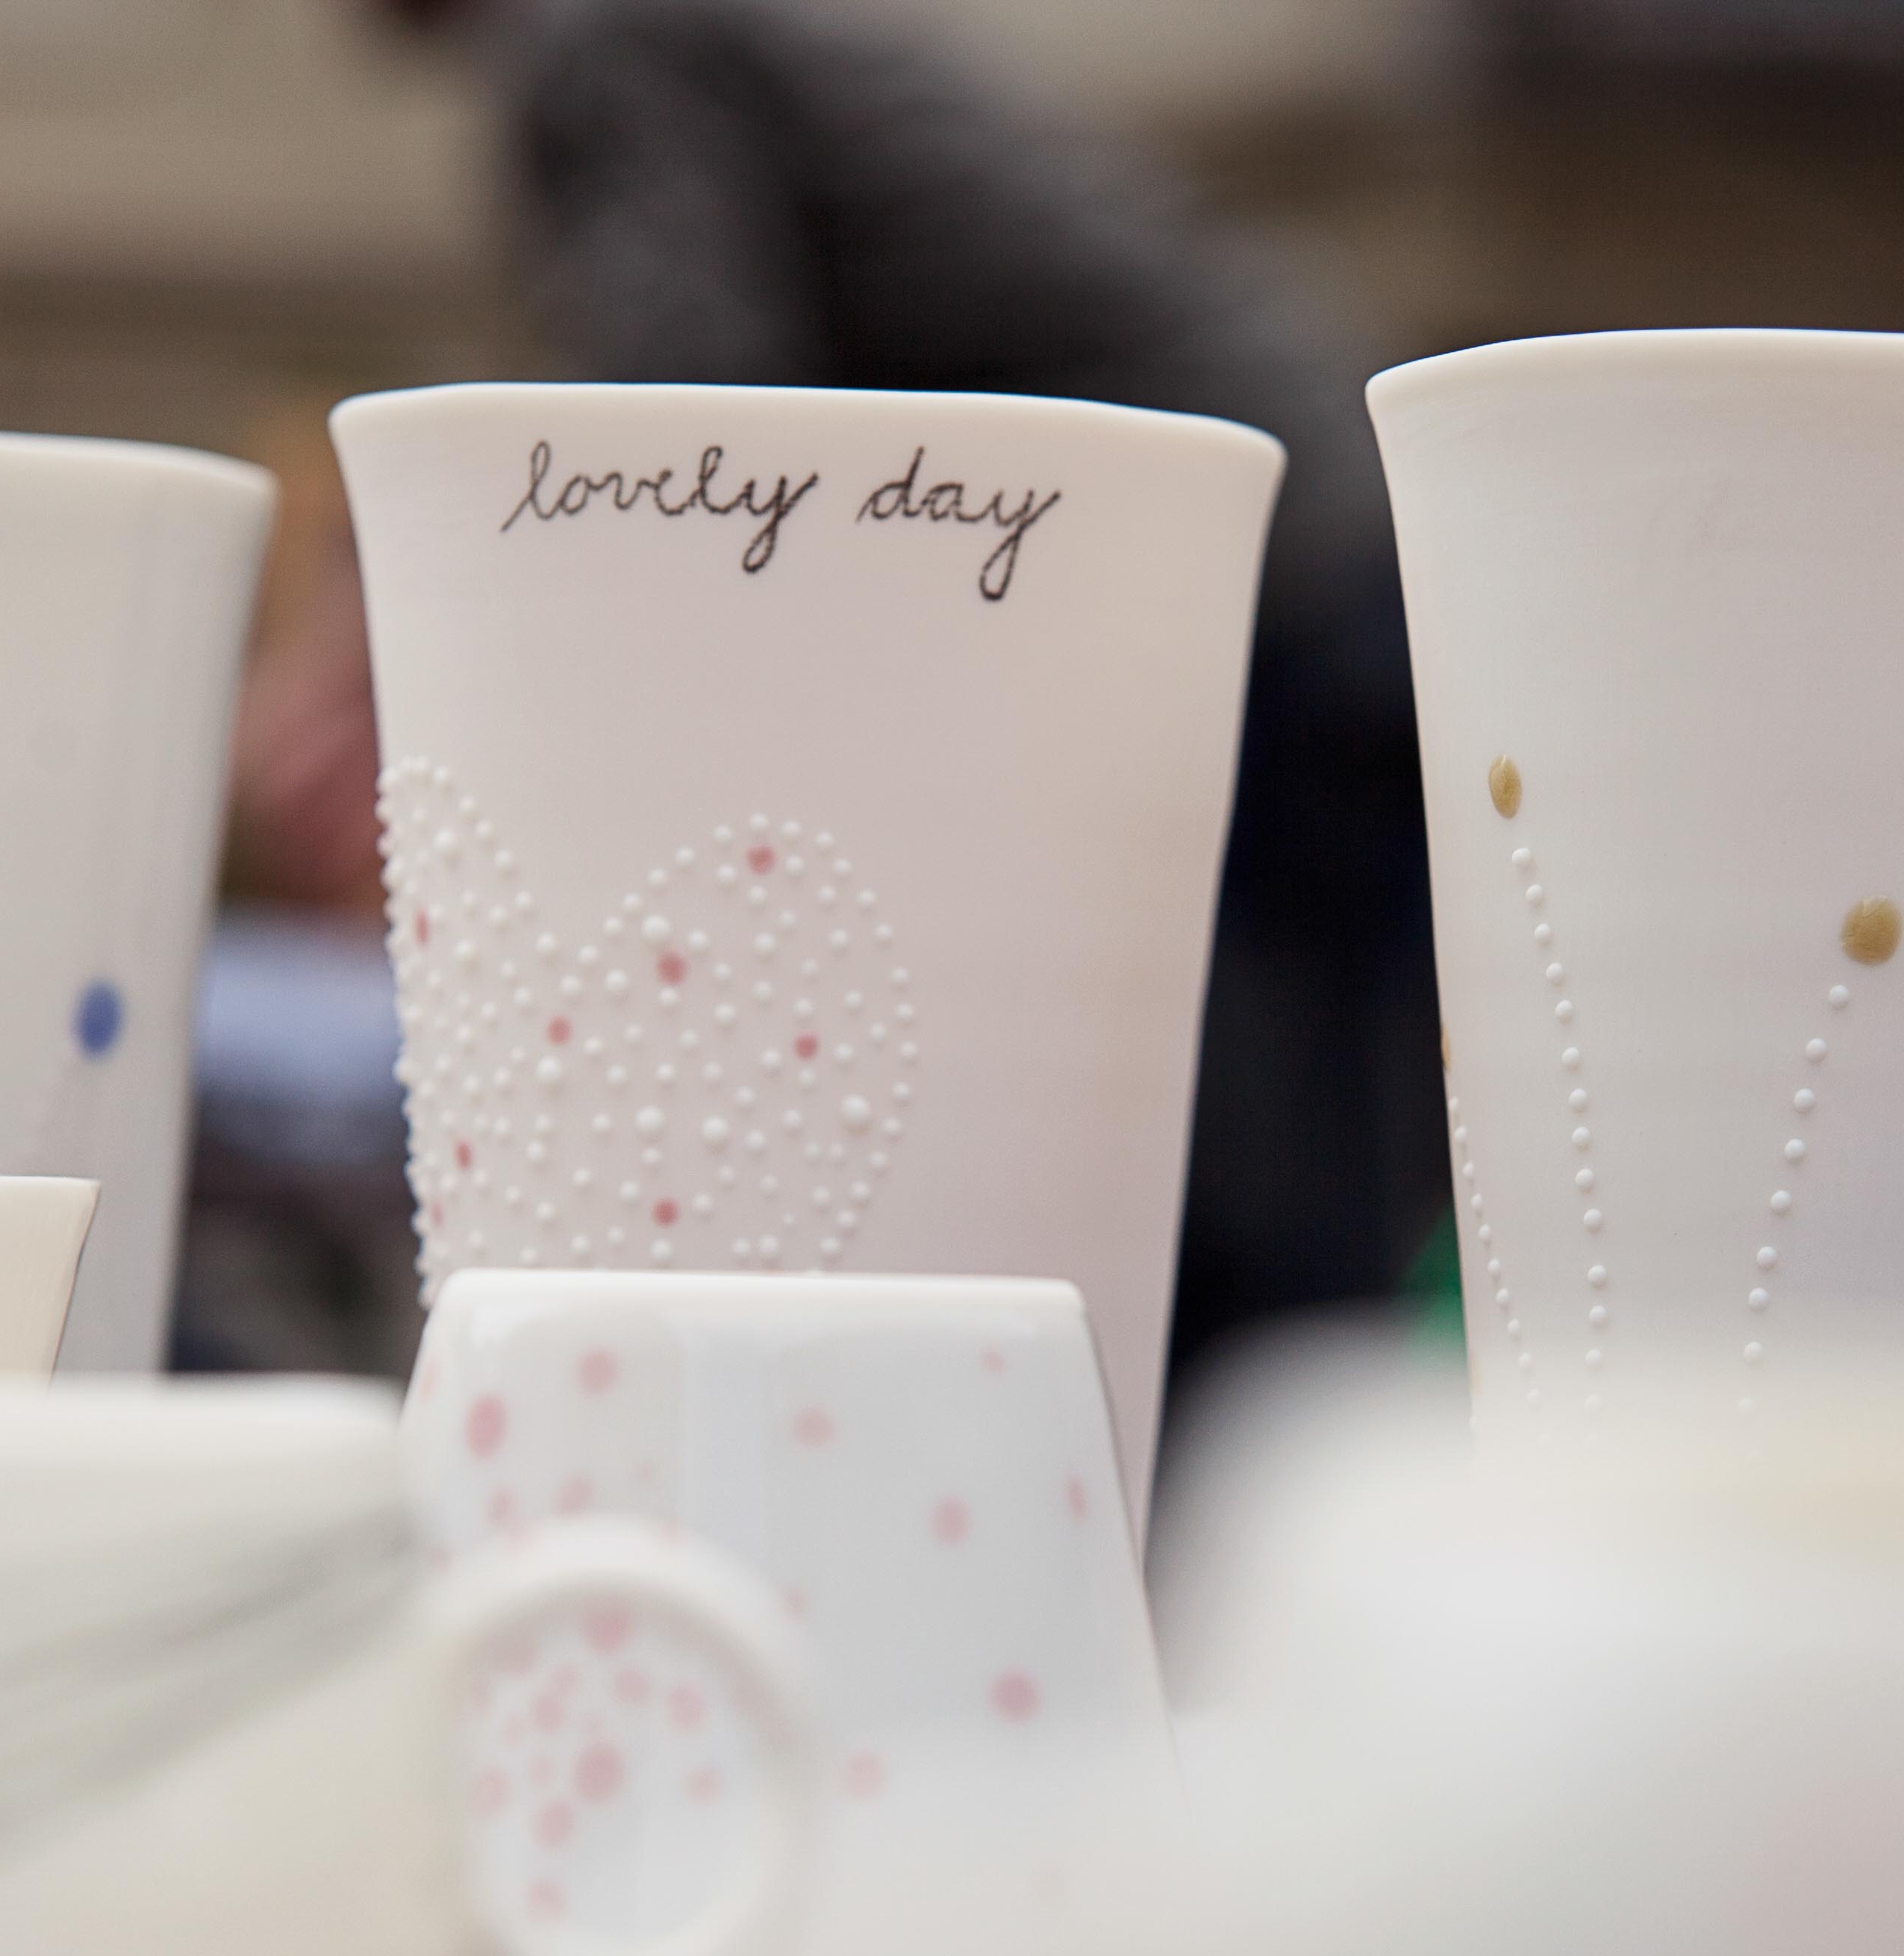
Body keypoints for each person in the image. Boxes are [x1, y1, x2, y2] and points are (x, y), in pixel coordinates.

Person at [328, 0, 1449, 1398]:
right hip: (1305, 547)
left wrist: (453, 607)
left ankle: (1238, 1498)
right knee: (1292, 1131)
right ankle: (1279, 1491)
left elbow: (690, 448)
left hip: (1237, 593)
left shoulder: (603, 39)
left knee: (1230, 1150)